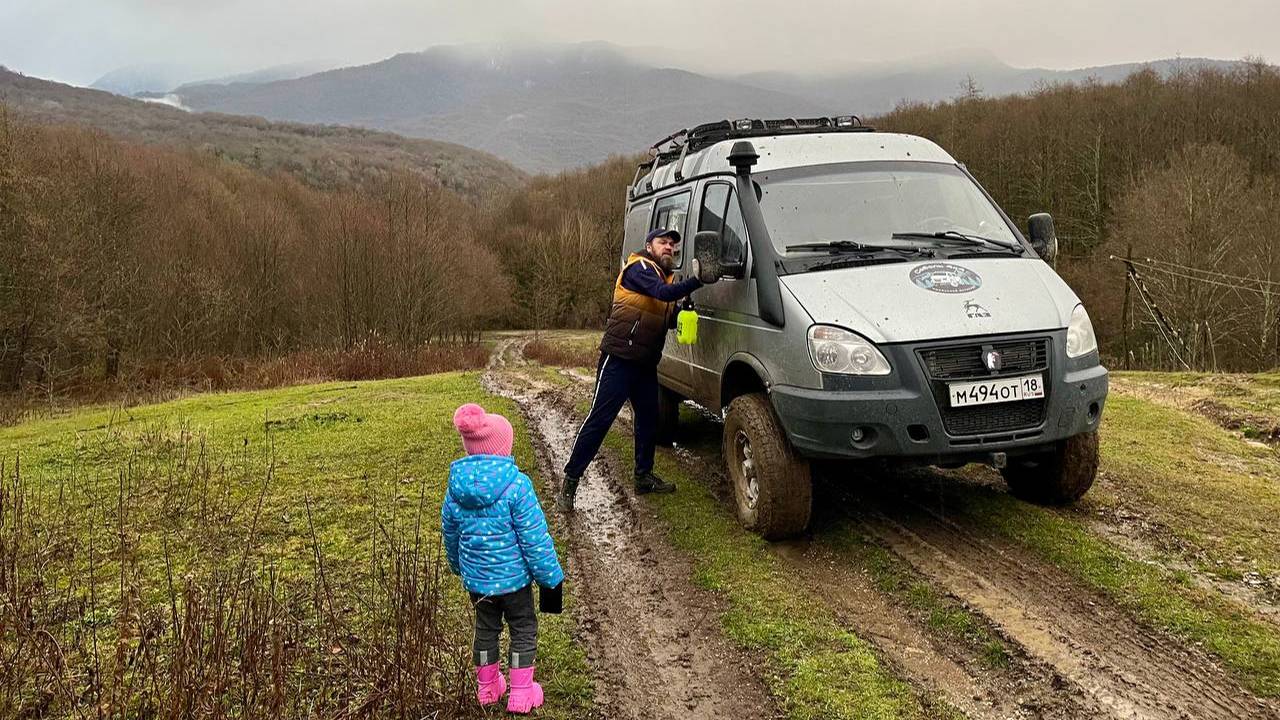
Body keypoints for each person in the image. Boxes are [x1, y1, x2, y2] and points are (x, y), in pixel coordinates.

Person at [559, 227, 706, 511]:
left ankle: (643, 477)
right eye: (663, 242)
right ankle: (570, 481)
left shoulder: (665, 278)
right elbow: (662, 293)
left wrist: (682, 311)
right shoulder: (638, 267)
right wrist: (697, 281)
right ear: (649, 245)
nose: (669, 248)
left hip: (645, 365)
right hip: (619, 359)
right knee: (600, 420)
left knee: (649, 419)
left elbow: (665, 313)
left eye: (672, 245)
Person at [443, 403, 564, 714]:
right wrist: (550, 579)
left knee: (485, 629)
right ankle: (521, 692)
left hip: (478, 584)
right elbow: (535, 538)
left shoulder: (456, 489)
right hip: (515, 583)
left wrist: (458, 566)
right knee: (523, 627)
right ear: (502, 447)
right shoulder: (517, 486)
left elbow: (451, 534)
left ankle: (487, 688)